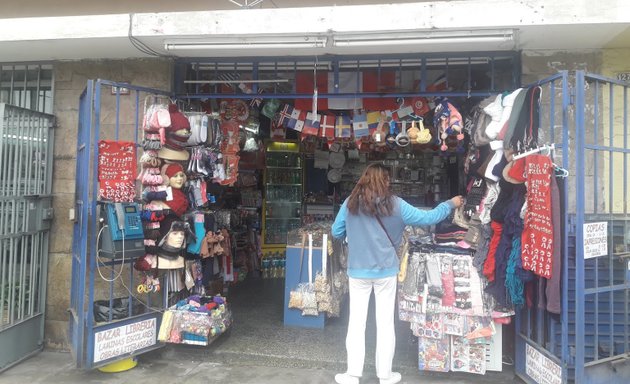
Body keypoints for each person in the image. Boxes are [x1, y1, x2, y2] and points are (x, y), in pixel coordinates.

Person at [331, 163, 464, 384]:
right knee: (385, 324)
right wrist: (450, 203)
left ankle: (353, 374)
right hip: (386, 272)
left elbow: (336, 231)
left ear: (363, 179)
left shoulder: (350, 203)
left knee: (356, 323)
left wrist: (354, 232)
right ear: (386, 181)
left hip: (358, 271)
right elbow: (428, 218)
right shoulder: (396, 205)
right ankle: (385, 375)